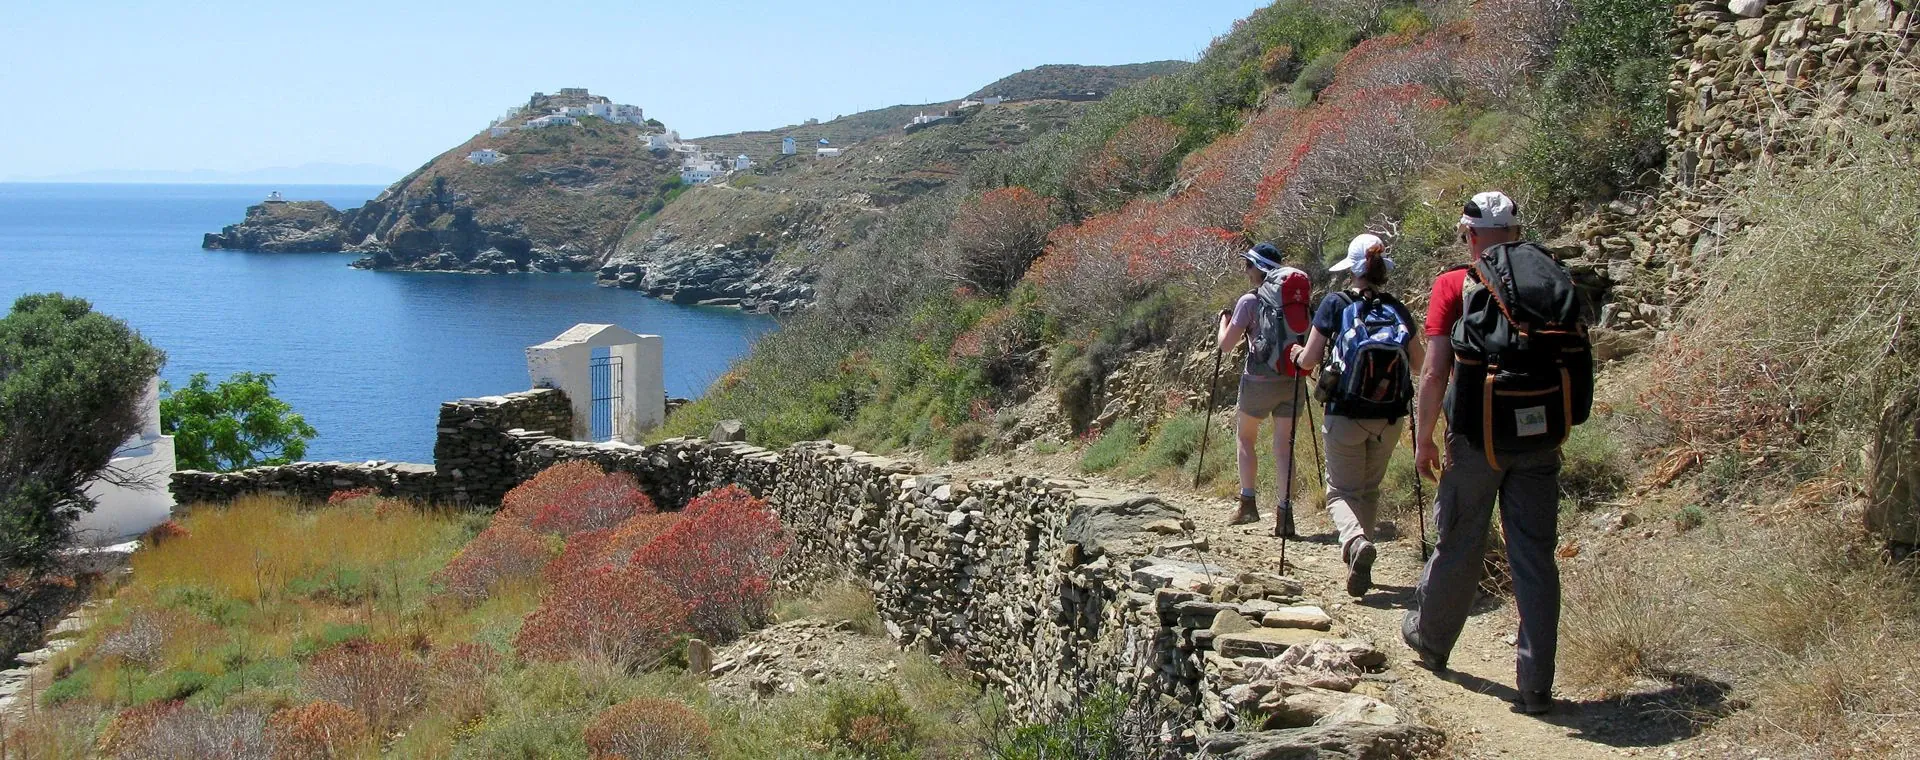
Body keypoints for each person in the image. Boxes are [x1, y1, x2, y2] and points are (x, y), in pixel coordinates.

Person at [1403, 191, 1563, 715]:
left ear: (1470, 235)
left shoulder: (1455, 283)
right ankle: (1536, 683)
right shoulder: (1548, 276)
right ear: (1516, 231)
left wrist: (1424, 436)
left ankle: (1430, 639)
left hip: (1475, 438)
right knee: (1534, 554)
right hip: (1540, 438)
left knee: (1460, 539)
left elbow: (1433, 371)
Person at [1287, 234, 1422, 598]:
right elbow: (1421, 362)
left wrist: (1298, 354)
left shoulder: (1335, 303)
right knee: (1368, 489)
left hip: (1345, 413)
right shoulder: (1398, 307)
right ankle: (1360, 561)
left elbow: (1310, 360)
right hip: (1390, 417)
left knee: (1340, 493)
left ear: (1353, 270)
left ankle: (1355, 541)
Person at [1216, 242, 1302, 530]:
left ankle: (1248, 504)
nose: (1246, 270)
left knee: (1246, 439)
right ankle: (1284, 513)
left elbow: (1226, 346)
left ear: (1259, 268)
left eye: (1248, 265)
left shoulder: (1249, 302)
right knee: (1284, 447)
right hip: (1292, 378)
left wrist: (1223, 324)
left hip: (1258, 381)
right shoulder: (1296, 300)